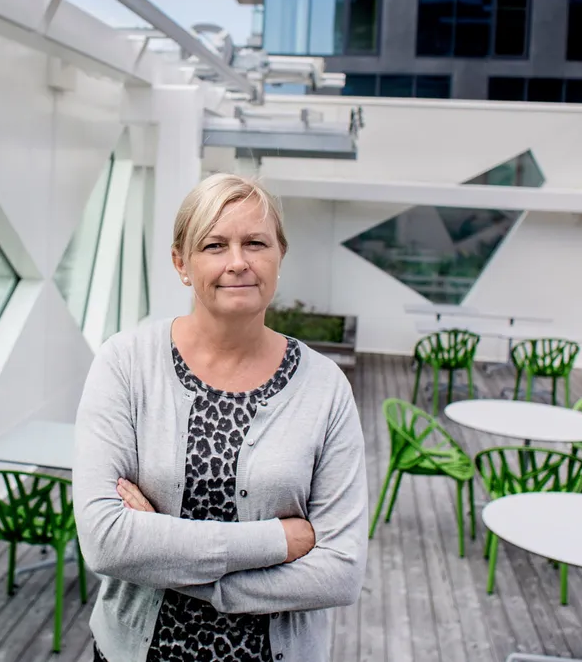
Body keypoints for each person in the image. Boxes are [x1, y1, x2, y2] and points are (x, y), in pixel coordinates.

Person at [72, 173, 368, 662]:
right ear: (181, 263)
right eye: (214, 245)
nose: (238, 262)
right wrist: (279, 540)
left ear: (279, 255)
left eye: (255, 243)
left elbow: (340, 572)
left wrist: (171, 564)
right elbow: (105, 542)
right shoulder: (125, 363)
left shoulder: (325, 386)